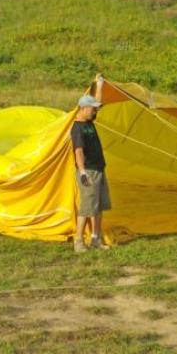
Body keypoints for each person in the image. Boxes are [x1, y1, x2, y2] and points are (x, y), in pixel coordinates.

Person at [70, 75, 111, 252]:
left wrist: (99, 85)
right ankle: (79, 241)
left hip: (99, 169)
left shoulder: (89, 121)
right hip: (88, 172)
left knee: (98, 207)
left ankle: (95, 238)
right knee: (87, 207)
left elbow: (98, 103)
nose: (95, 111)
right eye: (92, 109)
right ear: (84, 108)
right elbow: (78, 151)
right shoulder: (77, 127)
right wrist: (83, 172)